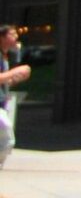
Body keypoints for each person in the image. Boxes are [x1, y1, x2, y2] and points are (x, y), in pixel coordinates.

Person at [0, 24, 31, 170]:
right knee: (7, 137)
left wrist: (14, 79)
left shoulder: (5, 56)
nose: (16, 38)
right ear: (2, 37)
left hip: (2, 103)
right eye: (12, 34)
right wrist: (15, 71)